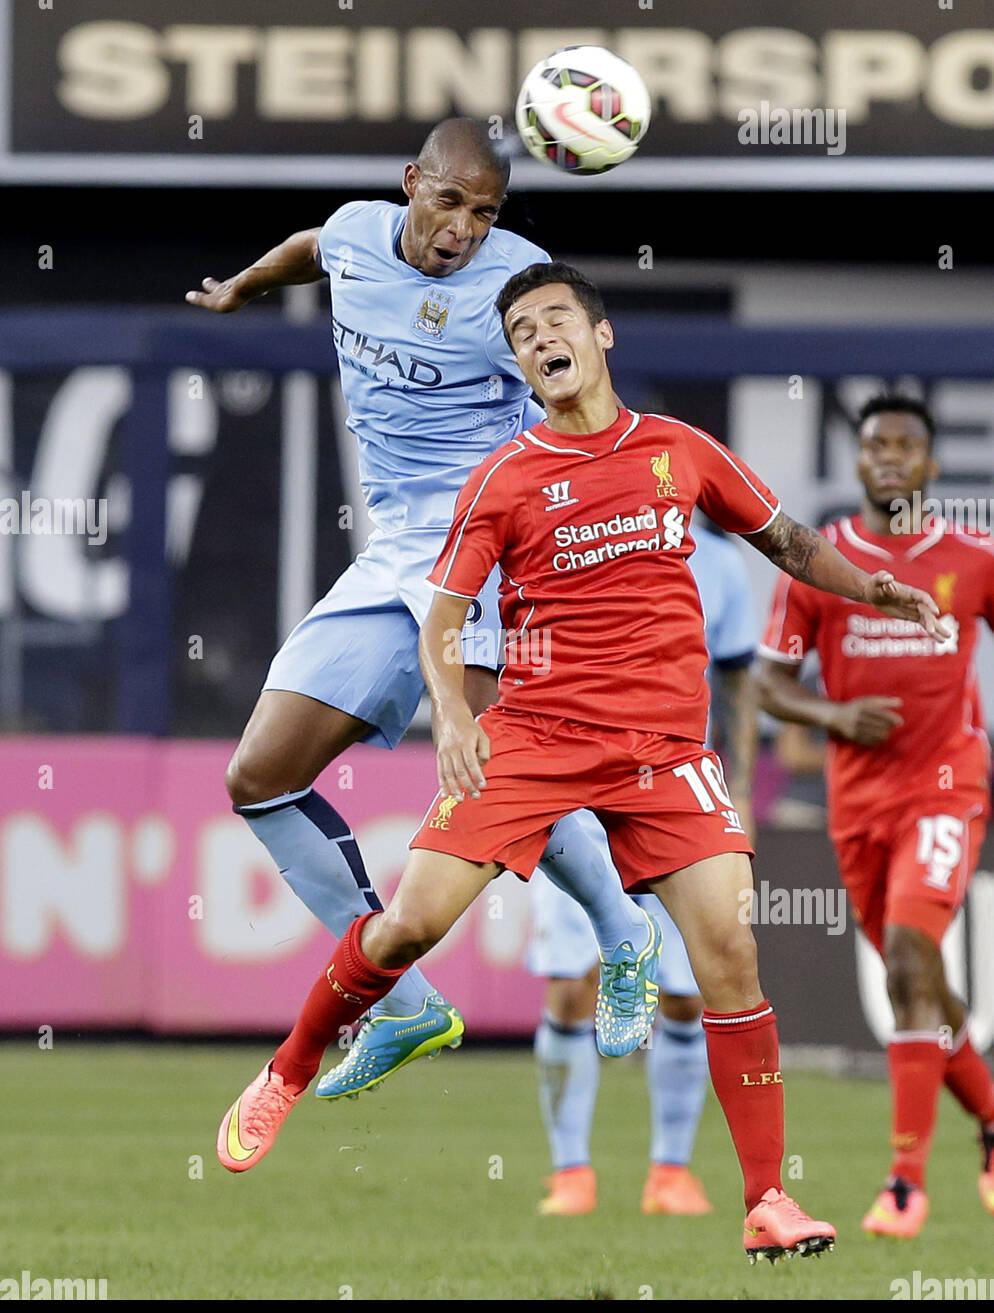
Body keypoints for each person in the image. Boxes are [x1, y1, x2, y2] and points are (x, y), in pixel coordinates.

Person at [225, 263, 947, 1261]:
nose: (539, 339)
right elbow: (441, 614)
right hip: (539, 741)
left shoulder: (678, 452)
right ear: (519, 363)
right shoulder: (506, 476)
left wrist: (872, 586)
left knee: (732, 948)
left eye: (555, 319)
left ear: (599, 336)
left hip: (661, 751)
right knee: (406, 927)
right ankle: (289, 1071)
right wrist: (449, 712)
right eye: (520, 332)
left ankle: (767, 1199)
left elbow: (783, 539)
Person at [187, 121, 661, 1169]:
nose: (461, 229)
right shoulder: (357, 235)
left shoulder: (515, 287)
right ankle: (401, 1004)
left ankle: (626, 934)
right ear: (411, 185)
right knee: (257, 775)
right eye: (448, 201)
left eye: (484, 212)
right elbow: (310, 246)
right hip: (391, 548)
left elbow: (577, 374)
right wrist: (243, 288)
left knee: (501, 770)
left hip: (487, 544)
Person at [756, 395, 994, 1237]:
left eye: (907, 446)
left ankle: (904, 1185)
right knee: (920, 982)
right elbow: (767, 685)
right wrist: (832, 719)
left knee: (907, 957)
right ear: (857, 463)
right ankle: (993, 1126)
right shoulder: (820, 565)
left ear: (932, 466)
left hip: (947, 788)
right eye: (875, 445)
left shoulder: (973, 559)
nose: (890, 458)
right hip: (856, 806)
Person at [529, 525, 758, 1216]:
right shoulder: (565, 539)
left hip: (675, 798)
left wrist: (739, 787)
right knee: (573, 984)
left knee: (688, 994)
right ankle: (571, 1172)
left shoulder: (719, 564)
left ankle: (671, 1173)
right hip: (571, 793)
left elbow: (739, 677)